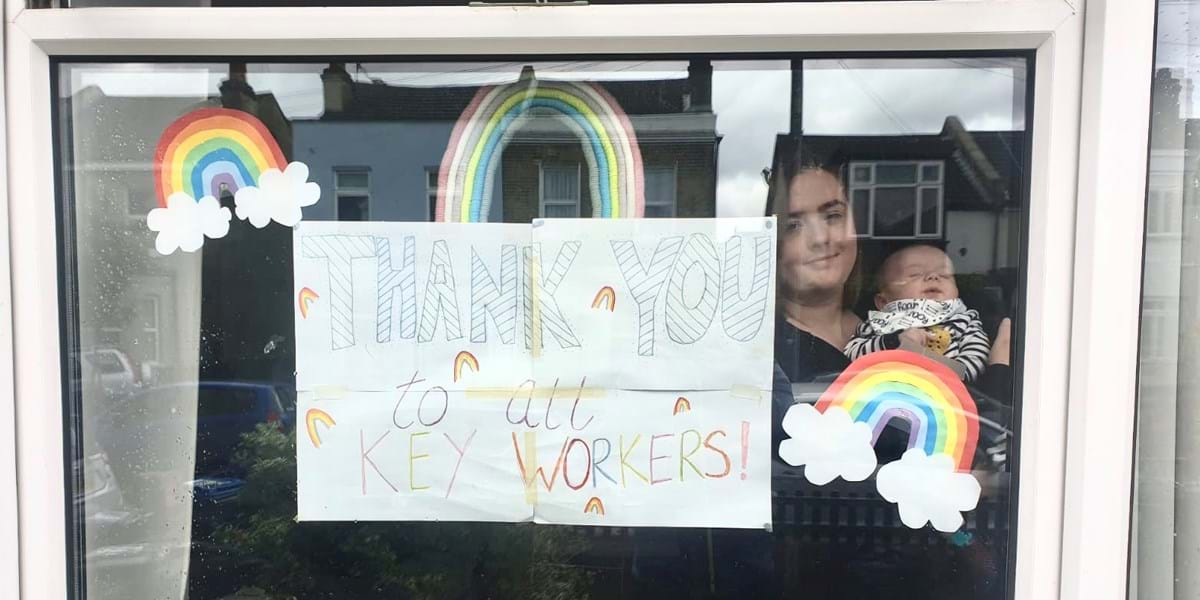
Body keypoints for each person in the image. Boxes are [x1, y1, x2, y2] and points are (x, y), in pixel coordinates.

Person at [771, 155, 861, 384]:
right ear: (772, 245)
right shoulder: (763, 352)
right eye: (793, 226)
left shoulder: (897, 321)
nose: (821, 238)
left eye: (833, 216)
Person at [844, 243, 990, 382]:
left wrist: (935, 369)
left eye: (945, 275)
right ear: (883, 302)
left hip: (944, 397)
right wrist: (893, 341)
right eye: (915, 274)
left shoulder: (965, 320)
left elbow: (976, 360)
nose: (933, 277)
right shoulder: (881, 323)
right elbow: (851, 355)